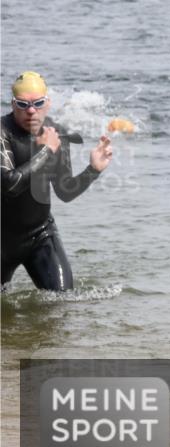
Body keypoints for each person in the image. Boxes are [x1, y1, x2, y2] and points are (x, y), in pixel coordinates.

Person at [1, 71, 113, 291]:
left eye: (38, 103)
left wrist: (93, 170)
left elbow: (65, 191)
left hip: (40, 234)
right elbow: (9, 184)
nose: (31, 110)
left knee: (62, 303)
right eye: (23, 104)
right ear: (13, 104)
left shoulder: (56, 133)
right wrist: (45, 151)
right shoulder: (2, 132)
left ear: (48, 103)